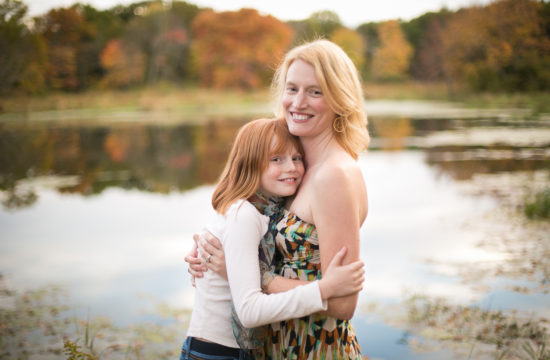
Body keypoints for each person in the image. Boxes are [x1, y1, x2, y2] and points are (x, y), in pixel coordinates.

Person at [189, 39, 369, 359]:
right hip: (279, 344)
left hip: (314, 349)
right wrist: (209, 244)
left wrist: (252, 277)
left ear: (340, 98)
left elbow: (343, 303)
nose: (298, 102)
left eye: (315, 91)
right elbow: (244, 210)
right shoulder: (298, 166)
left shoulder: (334, 176)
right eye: (292, 89)